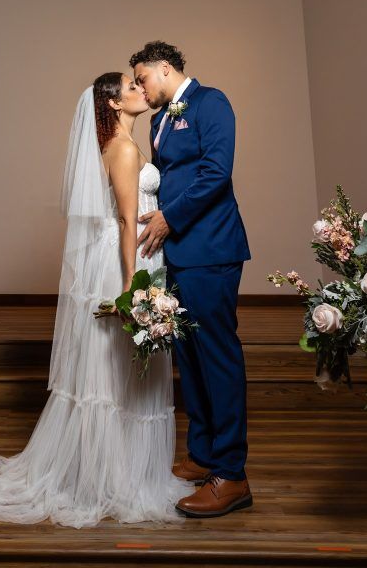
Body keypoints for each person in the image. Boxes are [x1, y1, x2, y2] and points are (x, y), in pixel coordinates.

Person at [0, 72, 193, 528]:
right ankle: (110, 480)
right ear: (115, 104)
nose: (140, 89)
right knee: (113, 372)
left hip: (139, 257)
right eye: (131, 86)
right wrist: (130, 285)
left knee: (127, 373)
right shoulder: (120, 148)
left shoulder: (129, 143)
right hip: (126, 262)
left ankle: (128, 472)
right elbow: (124, 221)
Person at [131, 41, 253, 519]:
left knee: (218, 356)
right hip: (177, 255)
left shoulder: (212, 102)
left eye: (143, 78)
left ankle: (232, 474)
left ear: (165, 68)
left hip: (211, 249)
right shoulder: (161, 120)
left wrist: (168, 219)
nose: (141, 88)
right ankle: (203, 454)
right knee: (190, 355)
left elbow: (215, 173)